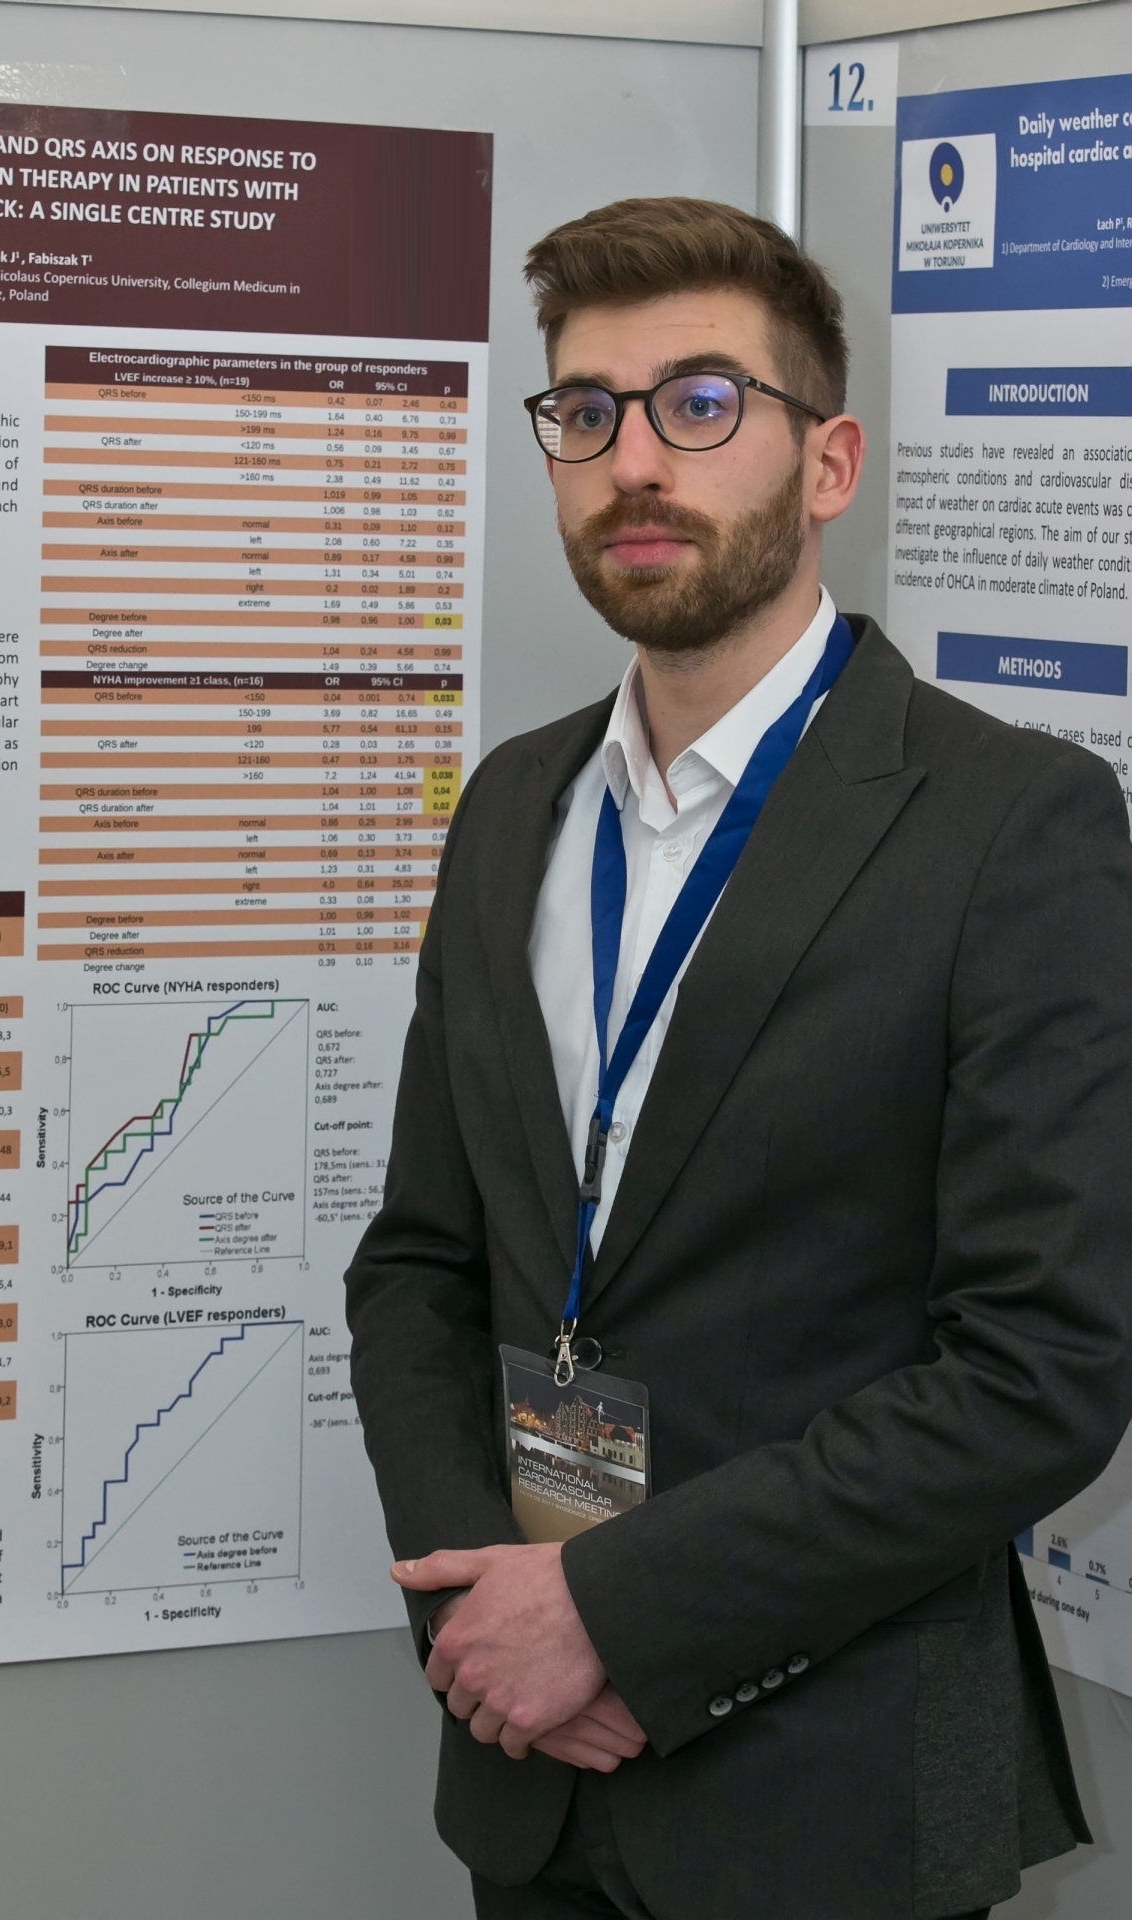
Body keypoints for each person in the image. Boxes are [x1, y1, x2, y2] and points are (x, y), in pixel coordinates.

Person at [344, 196, 1132, 1920]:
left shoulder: (1017, 826)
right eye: (587, 411)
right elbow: (416, 1267)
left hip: (833, 1795)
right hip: (531, 1774)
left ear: (828, 461)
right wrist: (486, 1622)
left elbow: (1041, 1368)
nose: (634, 460)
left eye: (702, 404)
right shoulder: (511, 807)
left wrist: (613, 1619)